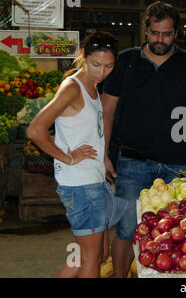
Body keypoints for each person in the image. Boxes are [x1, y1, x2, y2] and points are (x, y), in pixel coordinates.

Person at [101, 1, 186, 278]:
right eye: (155, 33)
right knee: (125, 229)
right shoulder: (126, 61)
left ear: (177, 33)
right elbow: (107, 113)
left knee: (174, 234)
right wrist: (103, 154)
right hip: (131, 163)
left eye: (167, 34)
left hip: (175, 165)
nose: (160, 40)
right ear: (146, 30)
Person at [27, 31, 121, 278]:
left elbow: (89, 133)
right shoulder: (73, 87)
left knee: (97, 255)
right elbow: (36, 130)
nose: (102, 72)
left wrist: (103, 157)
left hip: (93, 180)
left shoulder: (93, 87)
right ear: (84, 56)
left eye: (108, 66)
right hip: (80, 185)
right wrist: (67, 157)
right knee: (91, 258)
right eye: (96, 64)